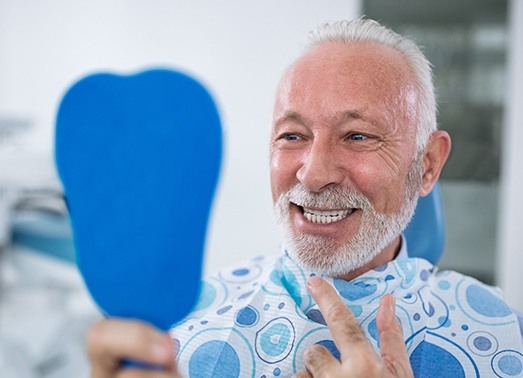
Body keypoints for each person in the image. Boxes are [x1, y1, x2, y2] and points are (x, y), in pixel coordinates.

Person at [87, 18, 523, 377]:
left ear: (427, 164)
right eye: (292, 135)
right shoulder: (176, 334)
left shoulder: (503, 338)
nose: (313, 174)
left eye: (357, 135)